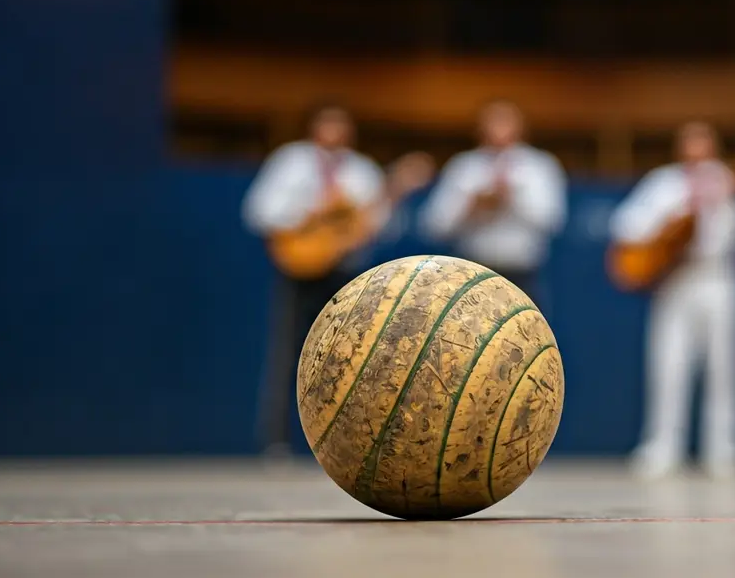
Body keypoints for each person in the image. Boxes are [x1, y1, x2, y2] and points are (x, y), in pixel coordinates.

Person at [242, 103, 433, 456]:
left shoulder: (362, 172)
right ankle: (277, 440)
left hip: (347, 273)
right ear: (314, 127)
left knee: (352, 357)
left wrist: (391, 195)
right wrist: (312, 212)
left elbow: (379, 226)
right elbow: (259, 211)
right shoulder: (291, 162)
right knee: (290, 353)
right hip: (301, 268)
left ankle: (350, 445)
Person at [610, 121, 735, 480]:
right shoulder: (662, 183)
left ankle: (723, 449)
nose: (696, 150)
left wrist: (726, 202)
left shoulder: (726, 181)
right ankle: (662, 447)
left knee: (723, 366)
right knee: (668, 364)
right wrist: (667, 226)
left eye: (703, 142)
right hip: (674, 280)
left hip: (716, 277)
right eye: (689, 142)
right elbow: (625, 226)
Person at [420, 100, 567, 302]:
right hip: (472, 271)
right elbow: (435, 225)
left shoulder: (539, 166)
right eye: (493, 122)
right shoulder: (464, 166)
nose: (499, 129)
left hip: (522, 274)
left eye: (505, 122)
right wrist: (471, 206)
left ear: (521, 127)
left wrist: (512, 197)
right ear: (479, 128)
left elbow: (553, 221)